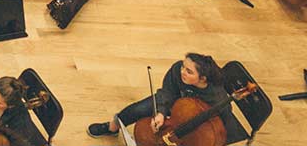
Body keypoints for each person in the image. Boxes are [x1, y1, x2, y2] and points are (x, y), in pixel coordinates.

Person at [87, 53, 229, 139]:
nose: (182, 71)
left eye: (189, 71)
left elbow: (222, 121)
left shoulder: (217, 98)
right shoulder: (178, 70)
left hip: (194, 119)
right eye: (183, 67)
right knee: (136, 110)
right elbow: (167, 91)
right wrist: (161, 112)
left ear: (202, 79)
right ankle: (113, 128)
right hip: (172, 101)